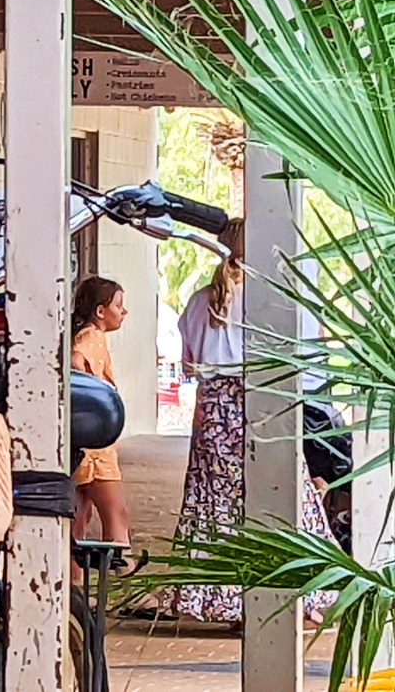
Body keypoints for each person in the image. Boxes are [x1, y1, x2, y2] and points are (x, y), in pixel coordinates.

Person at [167, 217, 336, 625]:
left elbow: (189, 362)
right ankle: (296, 592)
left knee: (217, 500)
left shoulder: (201, 301)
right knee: (282, 492)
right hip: (264, 403)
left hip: (214, 410)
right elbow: (310, 352)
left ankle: (222, 599)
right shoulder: (276, 301)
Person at [70, 277, 134, 568]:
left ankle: (71, 582)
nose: (124, 312)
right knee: (115, 514)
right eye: (118, 305)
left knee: (77, 519)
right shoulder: (92, 336)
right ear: (100, 311)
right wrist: (92, 389)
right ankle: (124, 571)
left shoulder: (85, 334)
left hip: (81, 444)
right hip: (97, 451)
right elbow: (76, 359)